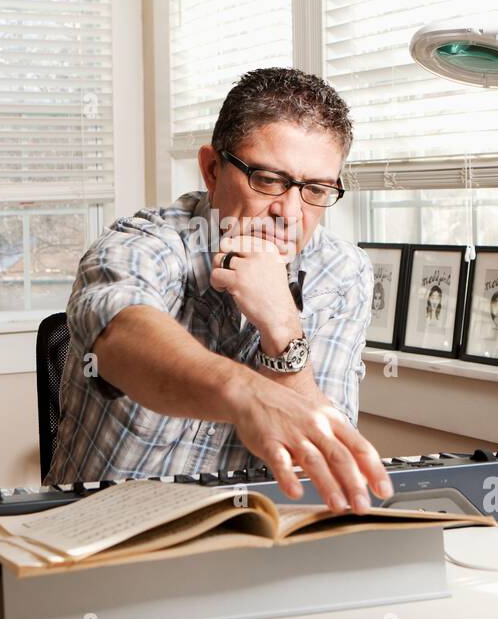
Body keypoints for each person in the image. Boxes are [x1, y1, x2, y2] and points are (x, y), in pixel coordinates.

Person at [46, 68, 392, 514]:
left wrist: (283, 327)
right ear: (212, 169)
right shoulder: (144, 243)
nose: (289, 213)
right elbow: (121, 337)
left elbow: (320, 466)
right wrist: (247, 394)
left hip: (249, 543)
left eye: (316, 190)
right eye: (267, 179)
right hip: (101, 537)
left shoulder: (342, 272)